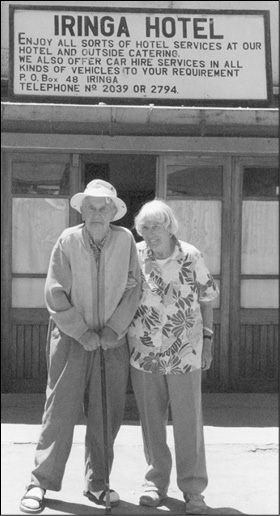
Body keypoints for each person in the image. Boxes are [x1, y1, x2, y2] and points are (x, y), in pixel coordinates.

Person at [20, 179, 141, 514]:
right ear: (83, 210)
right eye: (91, 207)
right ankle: (40, 482)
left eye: (104, 207)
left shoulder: (125, 239)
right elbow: (54, 291)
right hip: (72, 338)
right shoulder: (68, 240)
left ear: (113, 212)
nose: (97, 213)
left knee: (107, 413)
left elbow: (134, 289)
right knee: (59, 411)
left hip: (112, 341)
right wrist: (81, 331)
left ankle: (98, 483)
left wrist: (114, 329)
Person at [128, 199, 219, 515]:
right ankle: (155, 482)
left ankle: (193, 490)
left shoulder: (191, 256)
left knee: (188, 421)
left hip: (186, 352)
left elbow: (207, 300)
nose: (151, 233)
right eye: (145, 227)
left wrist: (207, 341)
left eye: (157, 226)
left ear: (169, 227)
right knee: (151, 421)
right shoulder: (135, 255)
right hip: (144, 352)